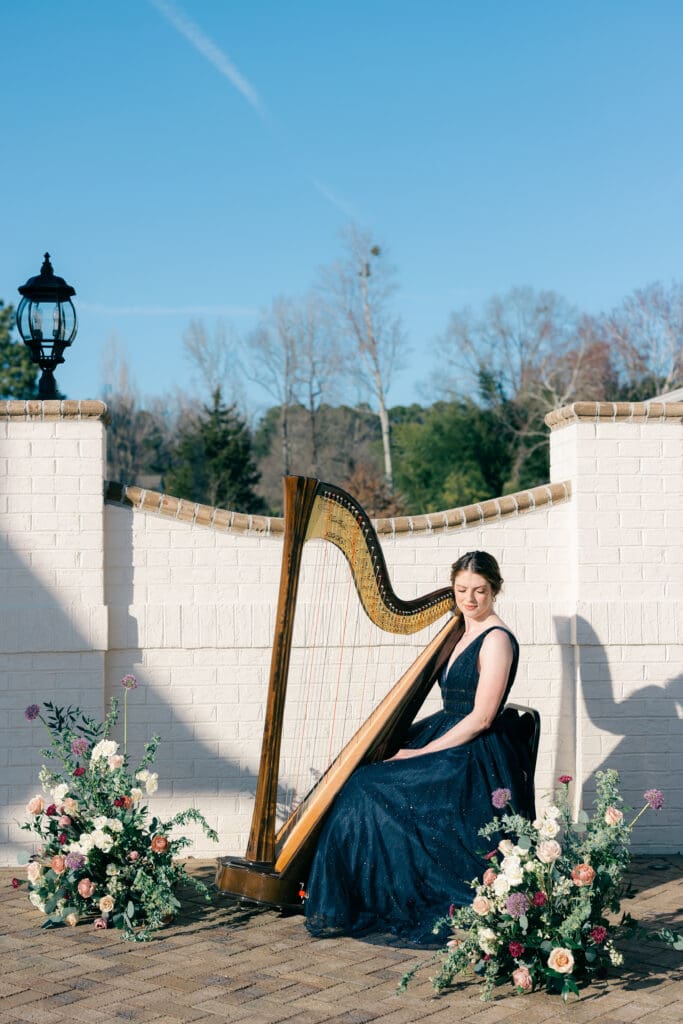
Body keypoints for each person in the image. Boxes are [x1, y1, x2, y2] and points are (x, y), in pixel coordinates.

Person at [304, 550, 535, 942]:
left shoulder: (496, 640)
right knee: (365, 776)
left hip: (473, 754)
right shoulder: (461, 631)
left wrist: (421, 753)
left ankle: (384, 892)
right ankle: (367, 890)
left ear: (495, 590)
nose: (470, 599)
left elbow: (481, 718)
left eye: (480, 591)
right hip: (450, 735)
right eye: (462, 589)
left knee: (367, 786)